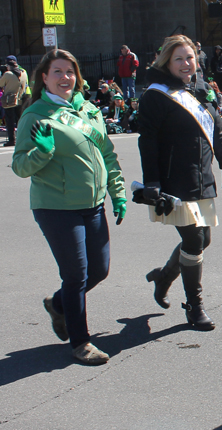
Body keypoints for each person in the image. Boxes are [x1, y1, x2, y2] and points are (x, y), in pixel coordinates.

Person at [12, 49, 127, 365]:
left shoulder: (89, 110)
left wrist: (117, 192)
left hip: (92, 204)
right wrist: (42, 154)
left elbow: (107, 154)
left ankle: (58, 304)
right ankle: (81, 343)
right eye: (58, 72)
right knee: (76, 274)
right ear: (44, 78)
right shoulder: (35, 115)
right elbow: (20, 166)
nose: (65, 78)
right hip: (56, 208)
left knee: (99, 270)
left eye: (70, 72)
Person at [137, 35, 222, 331]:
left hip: (202, 177)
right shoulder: (156, 95)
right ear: (166, 61)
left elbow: (217, 129)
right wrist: (151, 181)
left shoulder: (201, 89)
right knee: (193, 240)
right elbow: (148, 141)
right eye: (178, 58)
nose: (185, 63)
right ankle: (195, 306)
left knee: (203, 240)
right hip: (173, 181)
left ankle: (164, 276)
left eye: (190, 58)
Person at [0, 55, 28, 146]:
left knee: (10, 122)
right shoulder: (23, 73)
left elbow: (1, 83)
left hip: (9, 101)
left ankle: (12, 140)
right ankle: (22, 138)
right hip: (20, 99)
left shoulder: (8, 74)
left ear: (8, 66)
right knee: (20, 120)